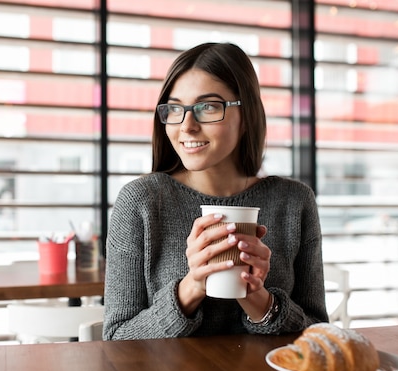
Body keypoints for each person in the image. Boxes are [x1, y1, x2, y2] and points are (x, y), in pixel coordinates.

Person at [103, 42, 328, 340]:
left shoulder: (294, 202)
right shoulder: (140, 201)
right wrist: (192, 287)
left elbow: (317, 334)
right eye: (175, 109)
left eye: (208, 107)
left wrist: (258, 300)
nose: (187, 126)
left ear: (246, 116)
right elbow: (117, 339)